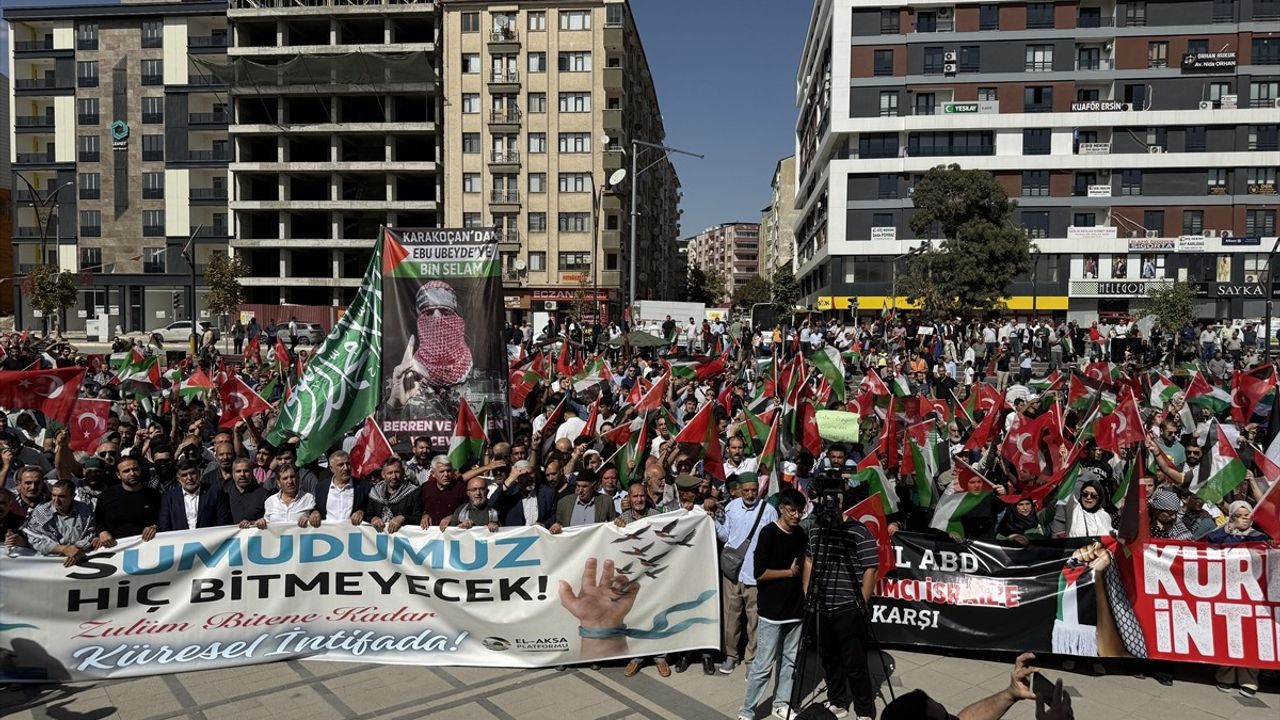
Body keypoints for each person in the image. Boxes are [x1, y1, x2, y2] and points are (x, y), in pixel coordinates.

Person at [803, 500, 881, 720]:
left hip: (849, 608)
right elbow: (808, 558)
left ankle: (864, 711)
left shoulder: (858, 530)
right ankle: (838, 702)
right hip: (822, 606)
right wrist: (807, 592)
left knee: (855, 664)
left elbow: (870, 568)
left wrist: (861, 604)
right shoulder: (816, 528)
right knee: (829, 659)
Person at [737, 489, 808, 720]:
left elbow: (806, 565)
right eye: (792, 510)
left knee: (790, 660)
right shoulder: (768, 533)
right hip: (772, 611)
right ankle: (747, 711)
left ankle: (781, 703)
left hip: (795, 609)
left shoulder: (801, 534)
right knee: (763, 665)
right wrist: (789, 572)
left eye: (800, 511)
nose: (796, 515)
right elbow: (760, 573)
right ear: (781, 509)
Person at [716, 473, 778, 674]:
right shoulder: (731, 507)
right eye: (746, 491)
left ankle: (752, 659)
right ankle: (731, 656)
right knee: (730, 617)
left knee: (754, 621)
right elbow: (725, 535)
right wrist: (713, 522)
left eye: (754, 490)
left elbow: (772, 542)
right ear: (739, 490)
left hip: (755, 576)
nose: (751, 494)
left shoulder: (768, 511)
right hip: (733, 573)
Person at [22, 479, 97, 567]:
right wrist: (63, 549)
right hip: (50, 561)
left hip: (80, 558)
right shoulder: (41, 512)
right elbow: (34, 539)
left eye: (62, 496)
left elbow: (91, 531)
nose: (56, 500)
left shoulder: (84, 510)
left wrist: (76, 550)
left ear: (73, 496)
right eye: (54, 495)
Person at [93, 456, 160, 546]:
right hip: (115, 548)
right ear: (118, 475)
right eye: (126, 471)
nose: (132, 473)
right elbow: (98, 521)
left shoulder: (154, 495)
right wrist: (102, 532)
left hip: (147, 546)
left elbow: (163, 519)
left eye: (135, 469)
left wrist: (155, 527)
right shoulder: (106, 496)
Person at [158, 460, 231, 532]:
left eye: (192, 473)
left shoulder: (214, 492)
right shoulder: (169, 498)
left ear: (199, 473)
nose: (189, 478)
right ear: (178, 479)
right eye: (184, 475)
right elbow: (164, 527)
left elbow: (223, 521)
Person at [309, 450, 369, 524]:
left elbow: (371, 509)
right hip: (329, 533)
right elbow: (318, 506)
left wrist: (361, 512)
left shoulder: (363, 486)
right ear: (331, 468)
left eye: (348, 464)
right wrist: (315, 512)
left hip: (352, 533)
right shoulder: (321, 487)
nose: (346, 468)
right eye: (341, 465)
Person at [365, 457, 422, 532]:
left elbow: (419, 517)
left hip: (403, 540)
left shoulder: (414, 492)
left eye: (397, 472)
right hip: (378, 540)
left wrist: (403, 518)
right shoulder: (375, 492)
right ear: (383, 475)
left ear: (403, 472)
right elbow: (367, 514)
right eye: (390, 473)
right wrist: (373, 519)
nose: (394, 477)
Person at [551, 469, 616, 532]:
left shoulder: (606, 502)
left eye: (584, 486)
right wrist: (557, 527)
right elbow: (559, 524)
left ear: (594, 485)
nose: (580, 491)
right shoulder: (564, 503)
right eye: (578, 486)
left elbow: (613, 526)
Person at [222, 457, 269, 527]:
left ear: (252, 472)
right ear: (233, 473)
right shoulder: (224, 493)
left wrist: (253, 523)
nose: (242, 474)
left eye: (246, 471)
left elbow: (269, 520)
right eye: (238, 471)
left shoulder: (264, 495)